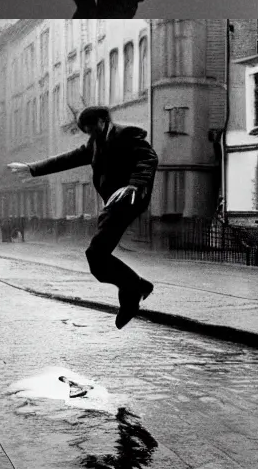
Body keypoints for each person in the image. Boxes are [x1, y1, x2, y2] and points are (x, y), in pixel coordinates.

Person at [9, 103, 157, 327]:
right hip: (113, 202)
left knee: (96, 253)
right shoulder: (95, 143)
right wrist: (32, 168)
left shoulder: (126, 134)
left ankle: (133, 290)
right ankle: (134, 287)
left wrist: (134, 185)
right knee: (96, 259)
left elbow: (148, 158)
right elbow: (68, 158)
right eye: (85, 130)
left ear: (101, 121)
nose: (88, 132)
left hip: (129, 198)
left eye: (89, 127)